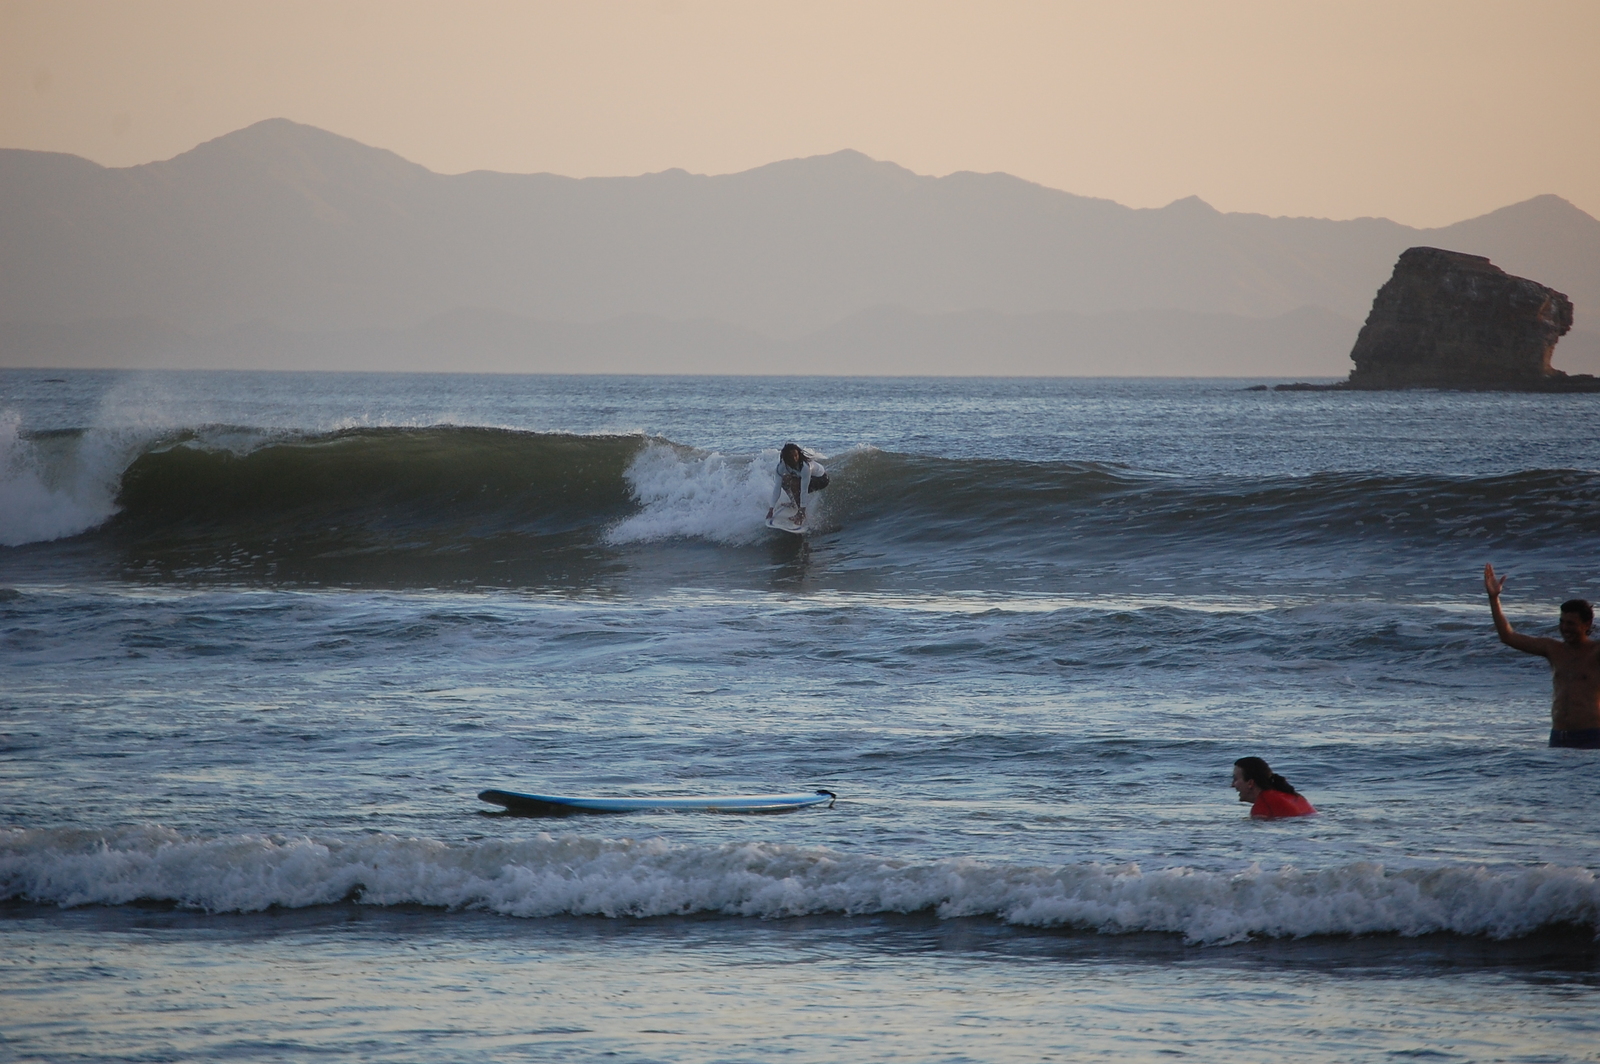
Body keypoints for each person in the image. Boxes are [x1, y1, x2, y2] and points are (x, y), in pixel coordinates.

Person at [1484, 563, 1600, 748]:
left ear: (1587, 623)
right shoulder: (1552, 649)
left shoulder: (1596, 652)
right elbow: (1507, 636)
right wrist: (1493, 598)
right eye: (1562, 622)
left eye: (1570, 623)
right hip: (1558, 737)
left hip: (1592, 736)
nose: (1564, 628)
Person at [1231, 756, 1316, 818]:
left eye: (1235, 779)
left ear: (1250, 783)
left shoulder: (1263, 804)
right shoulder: (1291, 795)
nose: (1232, 785)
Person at [767, 442, 828, 526]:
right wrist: (771, 509)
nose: (794, 459)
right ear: (785, 458)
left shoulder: (805, 467)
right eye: (791, 457)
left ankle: (801, 513)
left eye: (796, 455)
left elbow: (804, 491)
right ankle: (793, 503)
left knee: (794, 484)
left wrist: (802, 510)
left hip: (821, 479)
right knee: (784, 480)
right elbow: (777, 488)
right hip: (804, 478)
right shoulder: (781, 467)